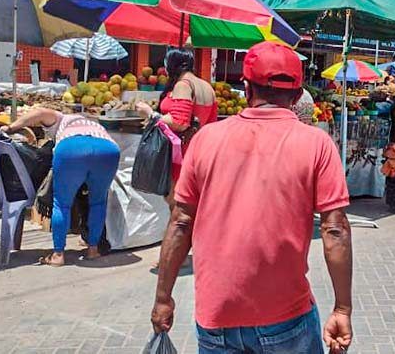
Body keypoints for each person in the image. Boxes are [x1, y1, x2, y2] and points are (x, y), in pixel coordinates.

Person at [151, 41, 353, 354]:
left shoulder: (206, 140)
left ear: (246, 89)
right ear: (298, 96)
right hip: (286, 317)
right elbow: (335, 229)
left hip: (216, 318)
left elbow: (180, 222)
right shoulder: (317, 144)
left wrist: (163, 298)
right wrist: (342, 309)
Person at [1, 108, 120, 266]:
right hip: (108, 149)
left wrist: (10, 128)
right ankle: (93, 249)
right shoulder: (94, 123)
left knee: (62, 203)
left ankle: (58, 255)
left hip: (72, 148)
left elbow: (39, 113)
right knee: (98, 202)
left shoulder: (62, 118)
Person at [136, 48, 217, 204]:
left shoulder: (183, 85)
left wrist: (150, 114)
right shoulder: (207, 87)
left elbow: (179, 122)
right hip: (202, 153)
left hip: (181, 155)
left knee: (177, 209)